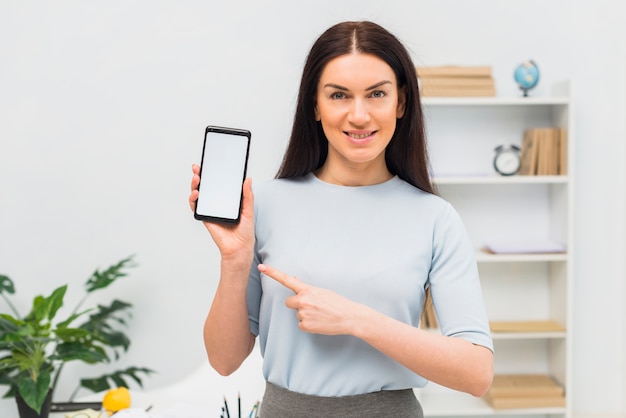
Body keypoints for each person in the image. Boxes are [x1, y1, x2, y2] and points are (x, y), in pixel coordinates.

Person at [189, 20, 493, 418]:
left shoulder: (435, 218)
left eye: (377, 94)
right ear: (315, 105)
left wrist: (355, 319)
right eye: (339, 95)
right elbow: (224, 361)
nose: (359, 115)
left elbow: (476, 373)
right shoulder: (263, 204)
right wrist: (234, 260)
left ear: (400, 103)